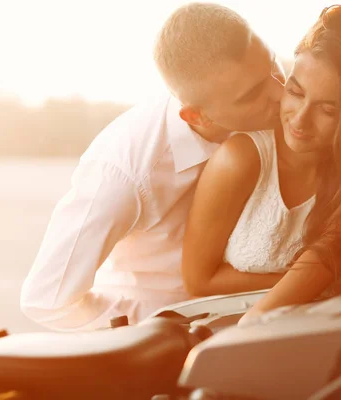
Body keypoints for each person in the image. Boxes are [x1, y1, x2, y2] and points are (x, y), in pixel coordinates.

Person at [20, 2, 286, 331]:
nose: (281, 91)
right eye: (254, 93)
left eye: (273, 66)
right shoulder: (122, 174)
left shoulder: (278, 109)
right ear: (197, 116)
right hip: (172, 335)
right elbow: (47, 299)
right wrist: (147, 328)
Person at [181, 4, 341, 322]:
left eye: (328, 110)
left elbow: (325, 263)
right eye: (295, 92)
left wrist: (315, 282)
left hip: (321, 332)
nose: (300, 120)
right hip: (235, 330)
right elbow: (198, 281)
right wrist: (316, 283)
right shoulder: (240, 159)